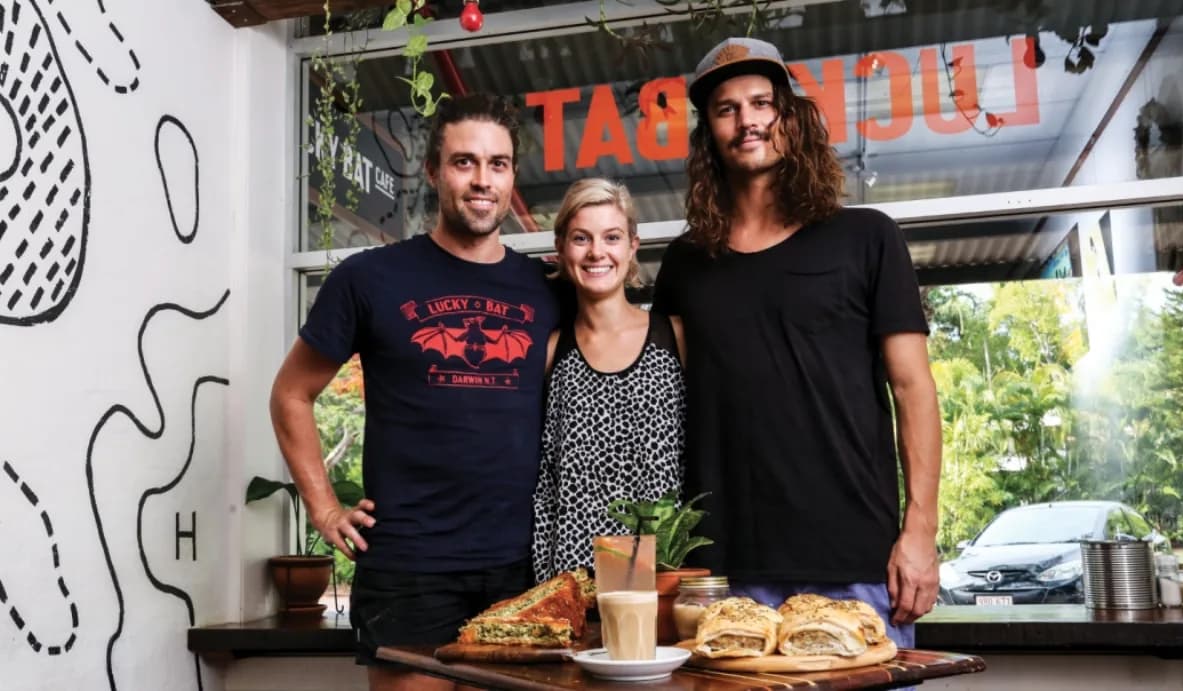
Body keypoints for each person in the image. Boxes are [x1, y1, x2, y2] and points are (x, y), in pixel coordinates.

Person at [652, 37, 942, 648]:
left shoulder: (866, 238)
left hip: (854, 564)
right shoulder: (686, 261)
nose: (747, 119)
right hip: (726, 575)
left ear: (790, 115)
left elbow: (914, 389)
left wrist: (920, 531)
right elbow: (659, 393)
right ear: (708, 132)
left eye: (762, 102)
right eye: (726, 108)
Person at [269, 93, 559, 690]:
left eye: (497, 164)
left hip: (520, 565)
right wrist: (324, 509)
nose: (482, 180)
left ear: (512, 177)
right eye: (464, 162)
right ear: (432, 170)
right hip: (409, 565)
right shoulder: (370, 278)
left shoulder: (546, 287)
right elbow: (291, 394)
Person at [531, 178, 687, 582]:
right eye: (581, 238)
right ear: (562, 248)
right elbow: (544, 480)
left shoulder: (674, 336)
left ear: (632, 246)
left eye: (612, 237)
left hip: (661, 574)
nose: (597, 251)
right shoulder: (551, 352)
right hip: (572, 575)